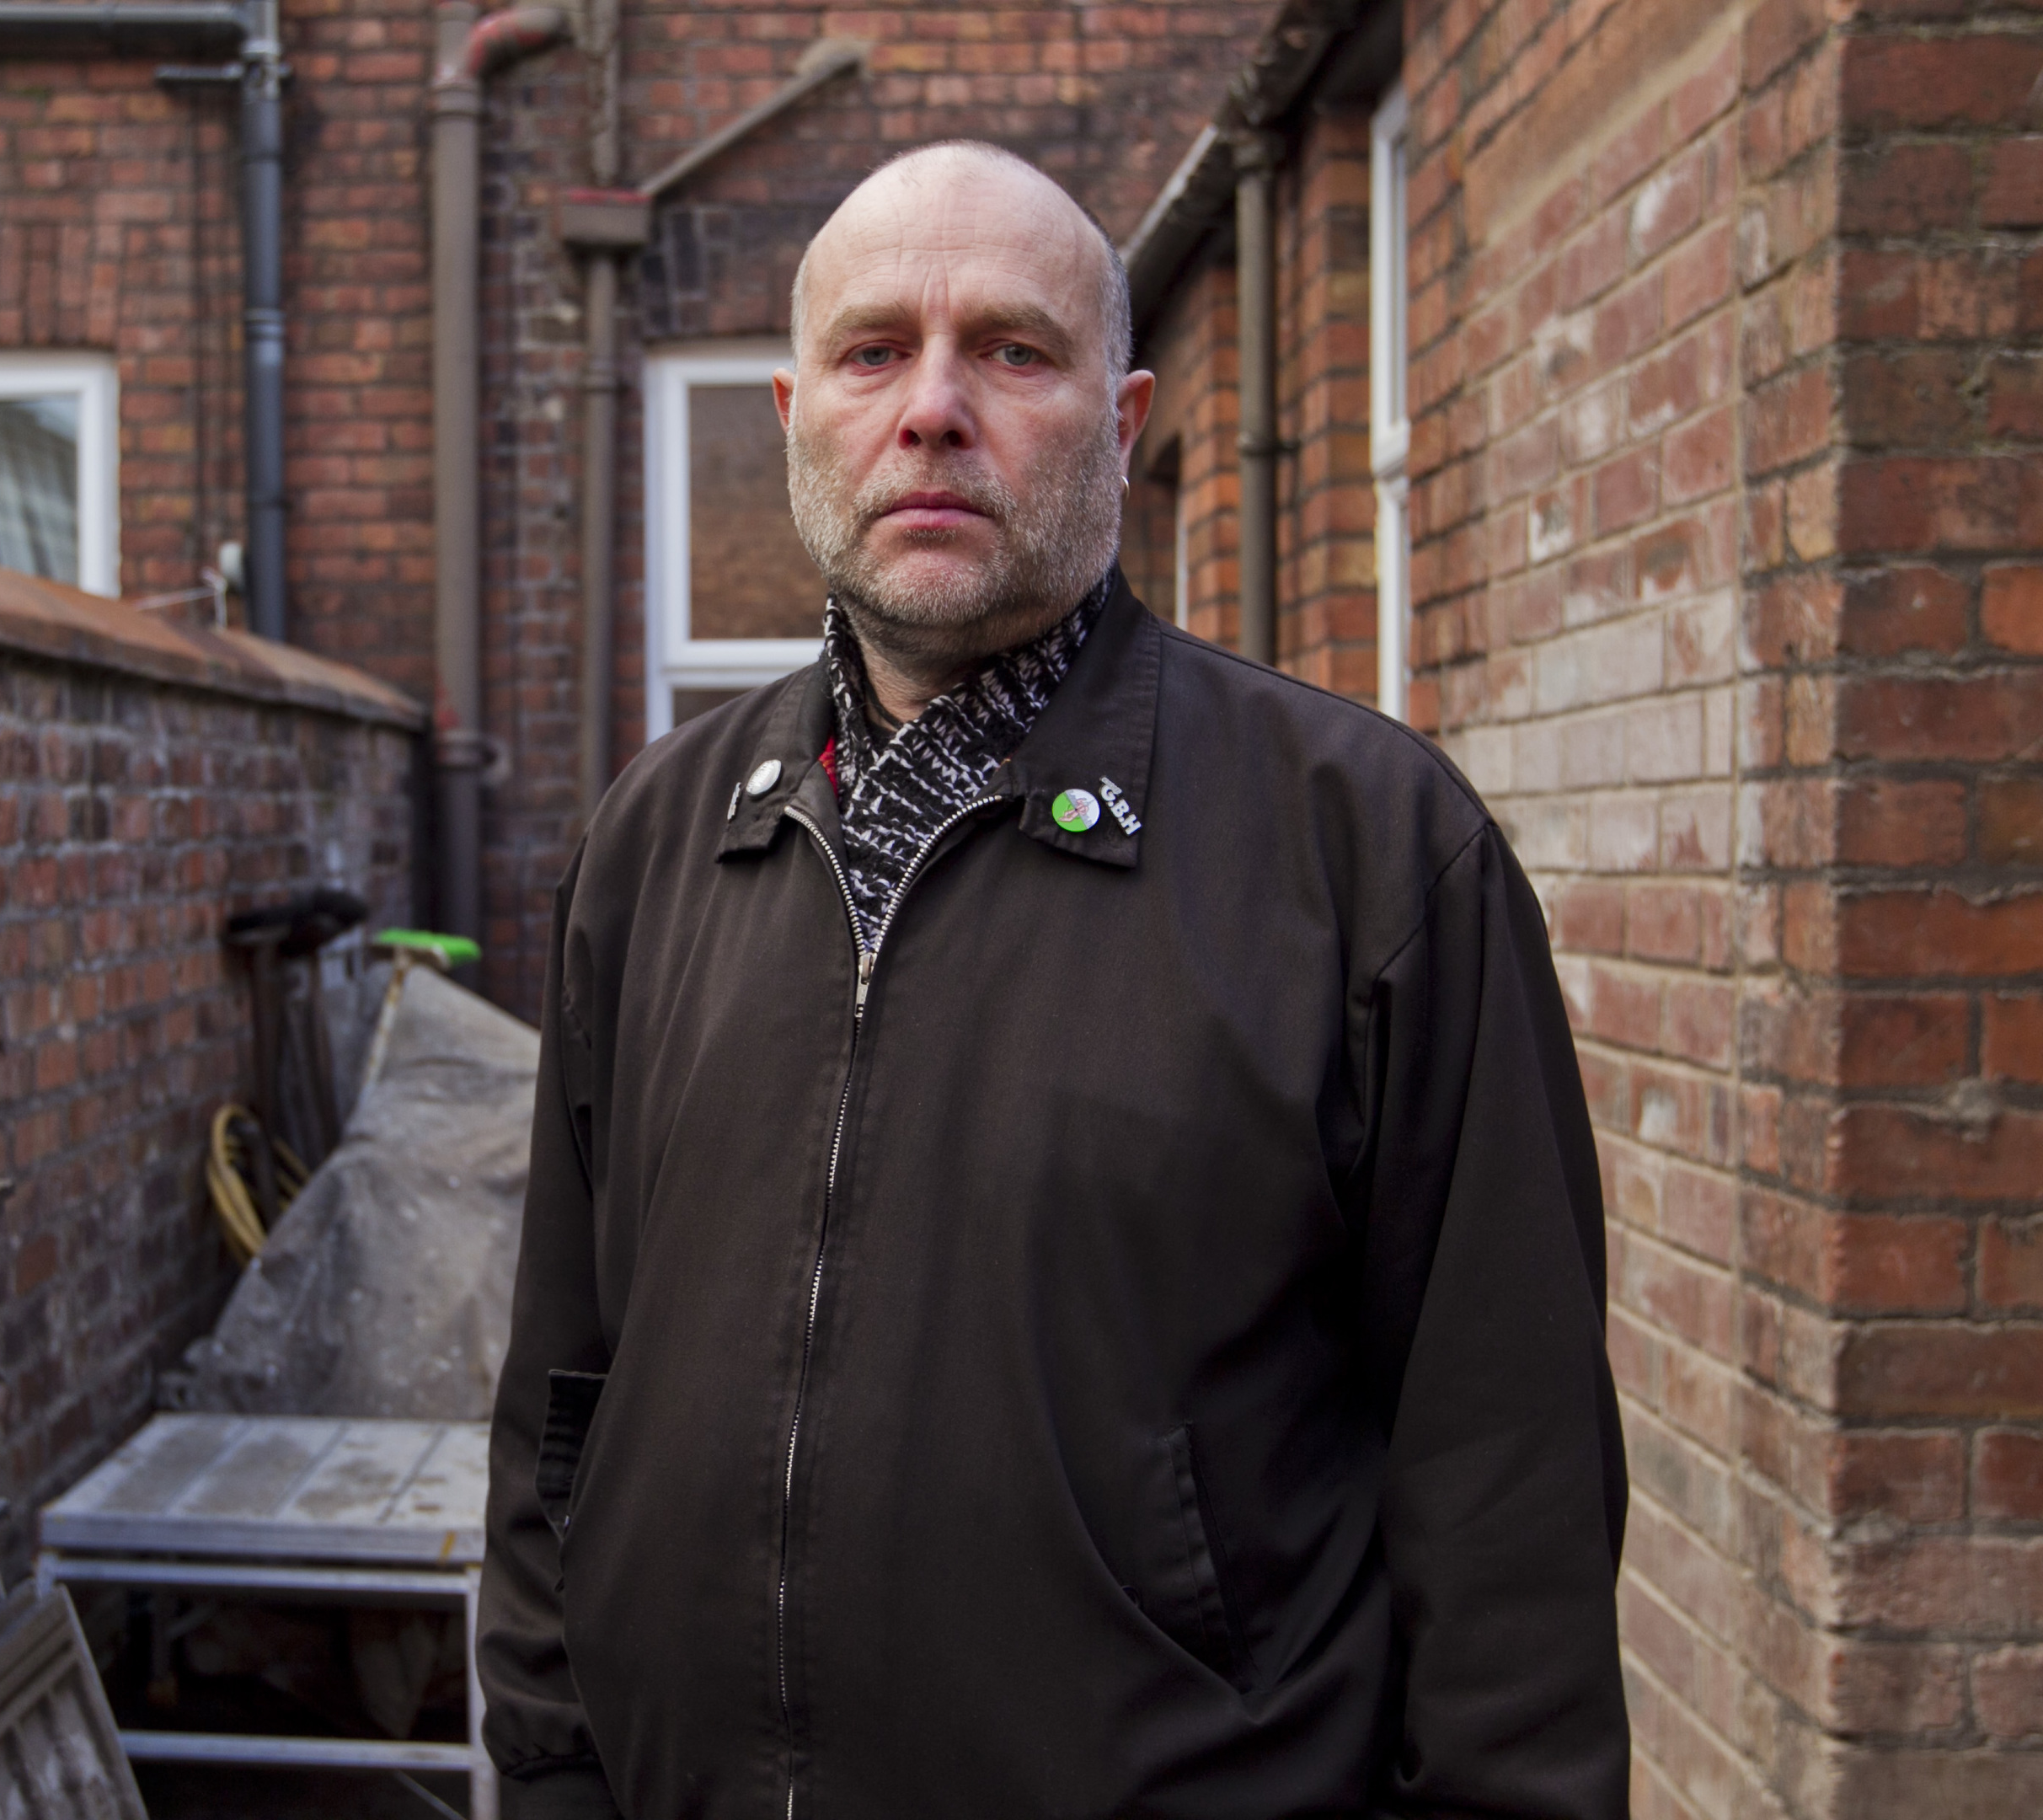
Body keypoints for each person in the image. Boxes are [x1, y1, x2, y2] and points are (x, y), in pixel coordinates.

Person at [479, 141, 1629, 1820]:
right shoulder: (654, 844)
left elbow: (1504, 1492)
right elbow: (559, 1406)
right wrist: (556, 1772)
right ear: (796, 416)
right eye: (876, 353)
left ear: (1127, 421)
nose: (933, 406)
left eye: (1012, 350)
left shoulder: (1366, 854)